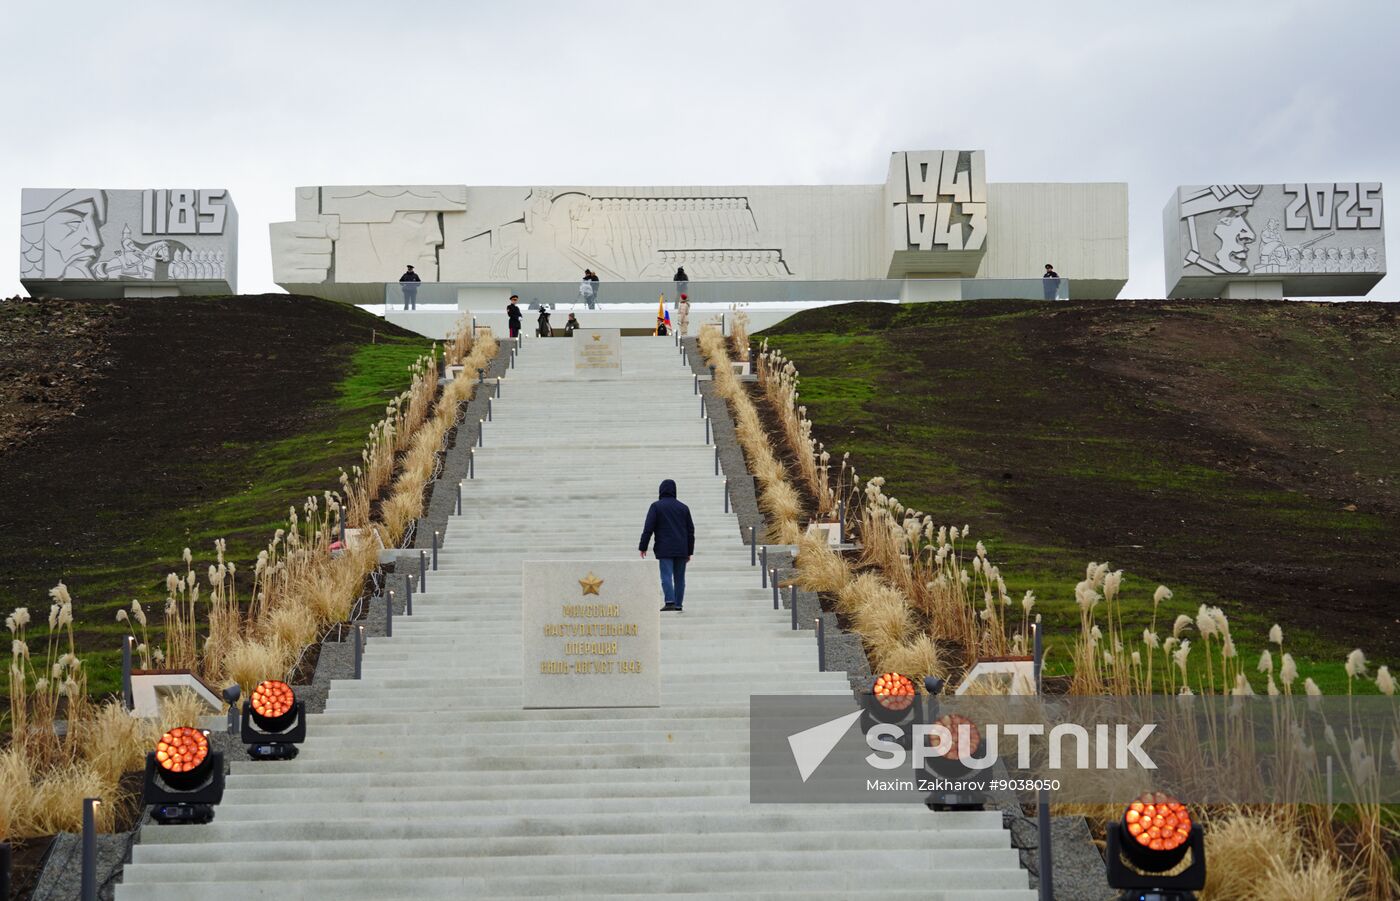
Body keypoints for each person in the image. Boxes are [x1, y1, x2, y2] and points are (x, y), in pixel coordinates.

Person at [638, 479, 695, 612]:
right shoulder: (683, 507)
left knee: (666, 575)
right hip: (681, 549)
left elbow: (648, 528)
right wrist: (689, 551)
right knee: (680, 578)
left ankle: (669, 601)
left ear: (661, 490)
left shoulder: (656, 506)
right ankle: (678, 604)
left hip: (664, 548)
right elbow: (690, 531)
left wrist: (643, 546)